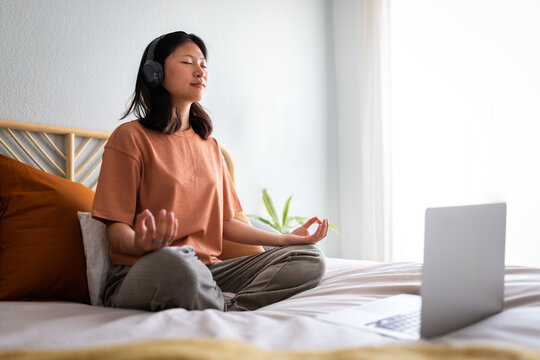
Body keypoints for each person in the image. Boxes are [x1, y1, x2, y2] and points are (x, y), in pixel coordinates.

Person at [92, 31, 328, 312]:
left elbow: (225, 223)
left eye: (203, 63)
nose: (200, 70)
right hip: (145, 269)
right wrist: (141, 245)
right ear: (154, 73)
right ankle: (218, 304)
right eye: (188, 61)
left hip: (207, 272)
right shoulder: (130, 138)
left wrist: (285, 240)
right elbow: (115, 230)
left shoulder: (210, 146)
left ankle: (234, 309)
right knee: (176, 263)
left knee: (308, 257)